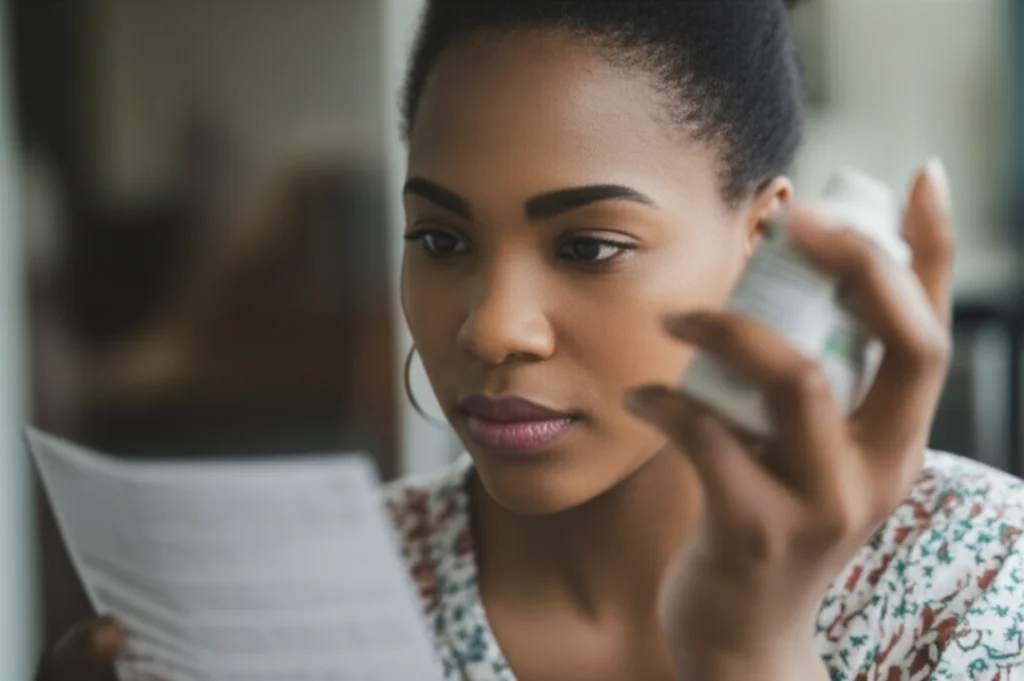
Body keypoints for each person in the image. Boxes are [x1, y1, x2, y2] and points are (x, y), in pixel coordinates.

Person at [37, 2, 1024, 680]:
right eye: (439, 239)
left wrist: (752, 655)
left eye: (589, 245)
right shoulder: (298, 604)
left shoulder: (977, 576)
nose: (491, 325)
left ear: (760, 239)